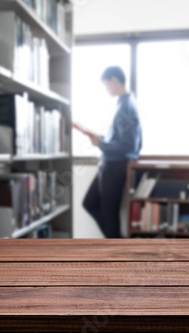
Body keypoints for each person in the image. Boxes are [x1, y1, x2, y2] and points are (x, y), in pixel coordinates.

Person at [75, 66, 142, 238]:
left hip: (115, 167)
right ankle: (117, 242)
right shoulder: (123, 104)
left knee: (110, 215)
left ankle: (117, 250)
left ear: (114, 80)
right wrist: (102, 139)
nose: (106, 90)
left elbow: (127, 146)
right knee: (90, 203)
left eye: (106, 85)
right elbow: (119, 139)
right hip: (109, 165)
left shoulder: (127, 106)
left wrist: (101, 144)